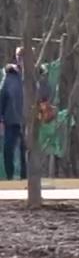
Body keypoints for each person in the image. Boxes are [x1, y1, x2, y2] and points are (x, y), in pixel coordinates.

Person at [0, 49, 21, 185]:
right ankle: (9, 178)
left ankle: (27, 179)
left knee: (28, 152)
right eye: (20, 56)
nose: (22, 59)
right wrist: (0, 119)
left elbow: (44, 95)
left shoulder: (36, 75)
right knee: (8, 149)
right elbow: (1, 99)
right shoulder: (9, 77)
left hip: (29, 121)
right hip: (11, 120)